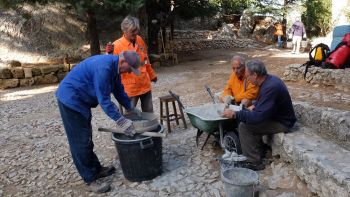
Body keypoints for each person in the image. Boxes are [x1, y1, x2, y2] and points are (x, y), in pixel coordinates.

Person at [56, 51, 142, 193]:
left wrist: (131, 107)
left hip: (81, 101)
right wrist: (121, 121)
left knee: (87, 138)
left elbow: (119, 91)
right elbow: (104, 100)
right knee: (80, 142)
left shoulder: (115, 68)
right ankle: (90, 179)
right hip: (71, 100)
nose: (129, 72)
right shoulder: (104, 68)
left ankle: (96, 169)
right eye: (130, 68)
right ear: (123, 62)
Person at [221, 60, 297, 171]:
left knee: (244, 126)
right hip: (275, 115)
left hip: (283, 122)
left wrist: (234, 114)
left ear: (255, 75)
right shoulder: (268, 80)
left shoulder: (270, 87)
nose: (247, 79)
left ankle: (253, 162)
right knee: (247, 114)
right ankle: (258, 150)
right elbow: (266, 104)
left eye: (248, 76)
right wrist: (254, 105)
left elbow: (258, 118)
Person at [106, 15, 157, 113]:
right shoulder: (116, 45)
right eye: (132, 31)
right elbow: (111, 66)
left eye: (136, 30)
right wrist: (109, 54)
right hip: (129, 89)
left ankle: (149, 129)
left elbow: (145, 60)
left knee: (149, 113)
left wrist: (152, 74)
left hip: (144, 84)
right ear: (124, 31)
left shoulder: (140, 40)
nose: (135, 33)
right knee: (130, 116)